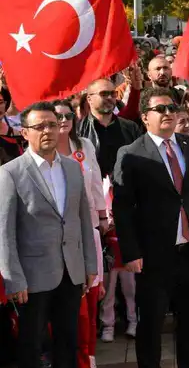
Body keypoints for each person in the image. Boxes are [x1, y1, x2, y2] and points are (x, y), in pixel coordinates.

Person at [112, 87, 189, 368]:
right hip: (153, 256)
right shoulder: (131, 153)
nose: (167, 114)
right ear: (145, 116)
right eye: (160, 109)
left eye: (172, 108)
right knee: (150, 325)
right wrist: (130, 252)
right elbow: (123, 208)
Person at [0, 101, 98, 368]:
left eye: (52, 125)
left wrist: (90, 264)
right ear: (25, 133)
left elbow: (83, 221)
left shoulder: (71, 168)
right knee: (31, 346)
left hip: (71, 272)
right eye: (39, 126)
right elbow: (4, 232)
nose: (47, 131)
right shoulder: (10, 173)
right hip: (31, 280)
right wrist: (14, 279)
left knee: (68, 342)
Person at [52, 99, 107, 365]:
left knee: (92, 300)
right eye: (57, 116)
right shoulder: (43, 151)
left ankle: (90, 356)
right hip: (60, 239)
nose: (63, 121)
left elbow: (96, 182)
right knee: (74, 307)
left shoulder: (84, 146)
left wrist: (102, 215)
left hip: (90, 232)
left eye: (67, 116)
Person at [78, 78, 142, 182]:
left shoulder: (130, 128)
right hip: (94, 192)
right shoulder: (78, 131)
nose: (109, 98)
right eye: (103, 94)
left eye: (113, 94)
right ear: (89, 99)